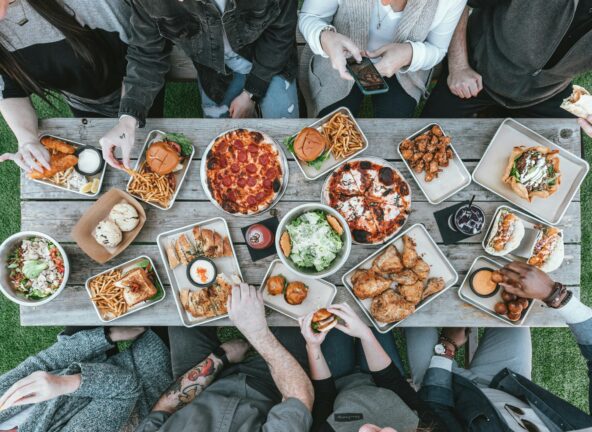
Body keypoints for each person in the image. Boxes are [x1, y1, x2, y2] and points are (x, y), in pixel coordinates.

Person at [100, 0, 299, 170]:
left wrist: (251, 93)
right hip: (216, 74)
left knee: (288, 146)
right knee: (221, 157)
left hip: (270, 62)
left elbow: (280, 34)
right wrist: (127, 120)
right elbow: (146, 54)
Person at [406, 262, 592, 431]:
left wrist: (447, 347)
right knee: (513, 304)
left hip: (448, 394)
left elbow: (436, 412)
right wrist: (554, 295)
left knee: (411, 311)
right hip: (506, 385)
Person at [0, 0, 165, 174]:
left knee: (147, 153)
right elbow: (10, 87)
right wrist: (27, 139)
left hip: (137, 89)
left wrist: (129, 116)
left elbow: (145, 54)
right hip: (82, 102)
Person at [136, 283, 314, 431]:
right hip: (270, 385)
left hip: (197, 387)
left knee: (182, 299)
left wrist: (220, 357)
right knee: (296, 307)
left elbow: (165, 408)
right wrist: (257, 332)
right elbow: (298, 399)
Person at [421, 1, 592, 131]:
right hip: (477, 69)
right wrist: (458, 66)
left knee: (563, 160)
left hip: (547, 91)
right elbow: (459, 3)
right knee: (426, 137)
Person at [298, 0, 466, 118]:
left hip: (405, 70)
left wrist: (410, 54)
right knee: (332, 128)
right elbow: (311, 17)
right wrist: (325, 38)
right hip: (340, 58)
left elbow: (437, 48)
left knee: (393, 128)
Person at [299, 302, 445, 432]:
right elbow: (393, 382)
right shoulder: (429, 428)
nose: (365, 430)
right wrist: (365, 335)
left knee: (326, 306)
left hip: (337, 382)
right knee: (374, 308)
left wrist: (313, 347)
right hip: (382, 381)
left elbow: (324, 396)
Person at [0, 327, 171, 432]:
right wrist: (61, 383)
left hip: (87, 360)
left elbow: (44, 362)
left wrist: (106, 336)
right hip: (144, 372)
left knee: (88, 292)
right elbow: (126, 388)